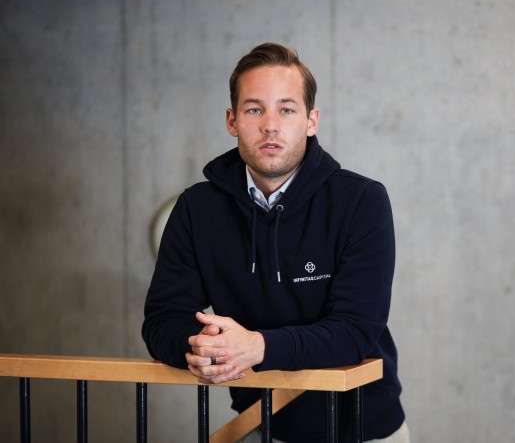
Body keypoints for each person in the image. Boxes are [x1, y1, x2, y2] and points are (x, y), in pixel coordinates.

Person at [142, 42, 408, 443]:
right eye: (254, 109)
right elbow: (162, 321)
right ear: (232, 121)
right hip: (263, 424)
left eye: (286, 109)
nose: (270, 125)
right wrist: (204, 347)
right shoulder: (197, 208)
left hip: (365, 429)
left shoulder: (361, 201)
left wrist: (258, 346)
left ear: (311, 120)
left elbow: (355, 331)